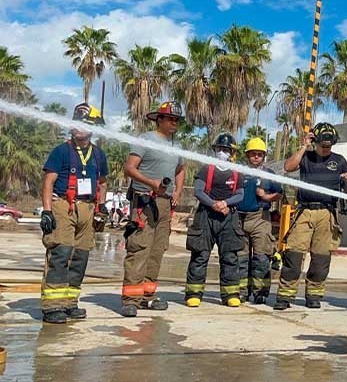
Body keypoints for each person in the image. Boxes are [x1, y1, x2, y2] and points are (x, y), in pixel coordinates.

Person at [39, 103, 108, 324]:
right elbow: (48, 182)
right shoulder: (61, 151)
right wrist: (47, 211)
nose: (78, 127)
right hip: (63, 205)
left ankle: (70, 303)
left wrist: (101, 206)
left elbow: (103, 183)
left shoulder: (98, 155)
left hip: (87, 208)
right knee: (60, 253)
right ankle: (52, 306)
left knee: (80, 256)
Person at [274, 122, 347, 310]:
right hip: (305, 211)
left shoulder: (339, 160)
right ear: (315, 141)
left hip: (327, 213)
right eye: (322, 145)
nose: (326, 149)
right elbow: (288, 167)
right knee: (294, 254)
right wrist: (304, 146)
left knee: (321, 258)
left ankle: (314, 295)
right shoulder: (306, 157)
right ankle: (285, 295)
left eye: (329, 145)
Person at [119, 101, 186, 317]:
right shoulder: (145, 139)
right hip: (144, 201)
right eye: (171, 119)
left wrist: (177, 192)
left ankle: (147, 296)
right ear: (159, 119)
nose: (174, 123)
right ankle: (131, 299)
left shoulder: (176, 146)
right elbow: (129, 168)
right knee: (139, 248)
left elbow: (180, 170)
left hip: (165, 204)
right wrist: (151, 183)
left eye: (177, 120)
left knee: (157, 250)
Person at [184, 133, 244, 308]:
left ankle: (231, 294)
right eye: (220, 149)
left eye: (226, 150)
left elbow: (240, 194)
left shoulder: (236, 172)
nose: (222, 152)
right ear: (215, 150)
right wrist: (214, 204)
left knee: (230, 256)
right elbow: (198, 191)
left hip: (229, 217)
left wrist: (225, 203)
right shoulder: (206, 170)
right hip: (206, 216)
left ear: (232, 152)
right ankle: (193, 293)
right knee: (200, 254)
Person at [236, 137, 282, 305]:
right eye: (253, 154)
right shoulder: (239, 172)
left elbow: (279, 193)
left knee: (261, 258)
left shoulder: (269, 174)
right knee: (241, 258)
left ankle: (260, 293)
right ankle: (241, 292)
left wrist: (266, 197)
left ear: (264, 156)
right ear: (247, 155)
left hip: (260, 218)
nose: (256, 157)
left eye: (259, 154)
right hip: (239, 218)